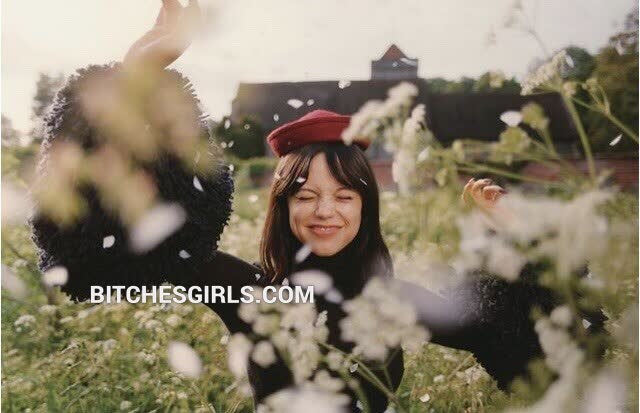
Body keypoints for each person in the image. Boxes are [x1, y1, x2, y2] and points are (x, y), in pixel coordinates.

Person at [30, 1, 597, 411]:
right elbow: (113, 253)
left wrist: (521, 242)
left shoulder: (391, 301)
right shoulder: (247, 293)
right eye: (305, 196)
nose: (326, 211)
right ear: (282, 207)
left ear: (366, 207)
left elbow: (505, 335)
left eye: (345, 196)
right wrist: (139, 75)